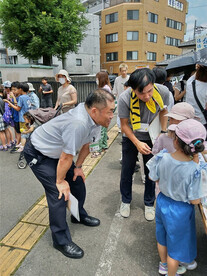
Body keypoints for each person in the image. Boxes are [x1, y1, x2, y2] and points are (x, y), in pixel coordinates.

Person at [23, 89, 115, 259]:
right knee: (59, 194)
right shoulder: (78, 123)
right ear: (95, 111)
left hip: (59, 154)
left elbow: (87, 144)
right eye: (110, 112)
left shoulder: (95, 120)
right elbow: (66, 156)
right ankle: (60, 240)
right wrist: (59, 181)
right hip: (39, 152)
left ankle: (77, 215)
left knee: (77, 182)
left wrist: (78, 167)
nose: (111, 116)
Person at [147, 119, 207, 276]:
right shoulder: (194, 170)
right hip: (180, 210)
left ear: (175, 141)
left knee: (162, 237)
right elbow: (194, 200)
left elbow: (154, 177)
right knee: (176, 248)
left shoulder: (163, 157)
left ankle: (163, 265)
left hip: (161, 202)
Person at [118, 68, 169, 221]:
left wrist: (164, 131)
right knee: (127, 170)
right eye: (141, 93)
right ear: (133, 89)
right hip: (132, 136)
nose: (147, 96)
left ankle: (148, 203)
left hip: (152, 136)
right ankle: (125, 201)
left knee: (151, 171)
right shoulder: (124, 98)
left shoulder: (163, 92)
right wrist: (137, 142)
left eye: (149, 91)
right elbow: (124, 125)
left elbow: (163, 111)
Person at [4, 83, 31, 152]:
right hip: (27, 117)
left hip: (22, 118)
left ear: (21, 89)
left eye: (17, 89)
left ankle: (22, 147)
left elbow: (18, 108)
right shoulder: (28, 96)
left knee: (23, 133)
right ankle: (21, 145)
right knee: (25, 132)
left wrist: (8, 102)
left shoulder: (21, 97)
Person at [186, 52, 207, 130]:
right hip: (202, 121)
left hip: (190, 119)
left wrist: (200, 66)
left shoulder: (190, 82)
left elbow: (195, 75)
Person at [95, 71, 112, 155]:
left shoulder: (105, 88)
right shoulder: (106, 87)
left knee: (101, 130)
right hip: (105, 111)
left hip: (104, 111)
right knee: (104, 130)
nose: (96, 80)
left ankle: (99, 149)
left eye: (97, 78)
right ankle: (104, 146)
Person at [113, 63, 129, 130]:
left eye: (125, 70)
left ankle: (127, 127)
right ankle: (120, 127)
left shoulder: (129, 78)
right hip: (119, 99)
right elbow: (115, 90)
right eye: (122, 71)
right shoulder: (117, 79)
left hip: (128, 99)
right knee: (120, 114)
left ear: (127, 70)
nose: (124, 72)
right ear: (120, 71)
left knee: (127, 113)